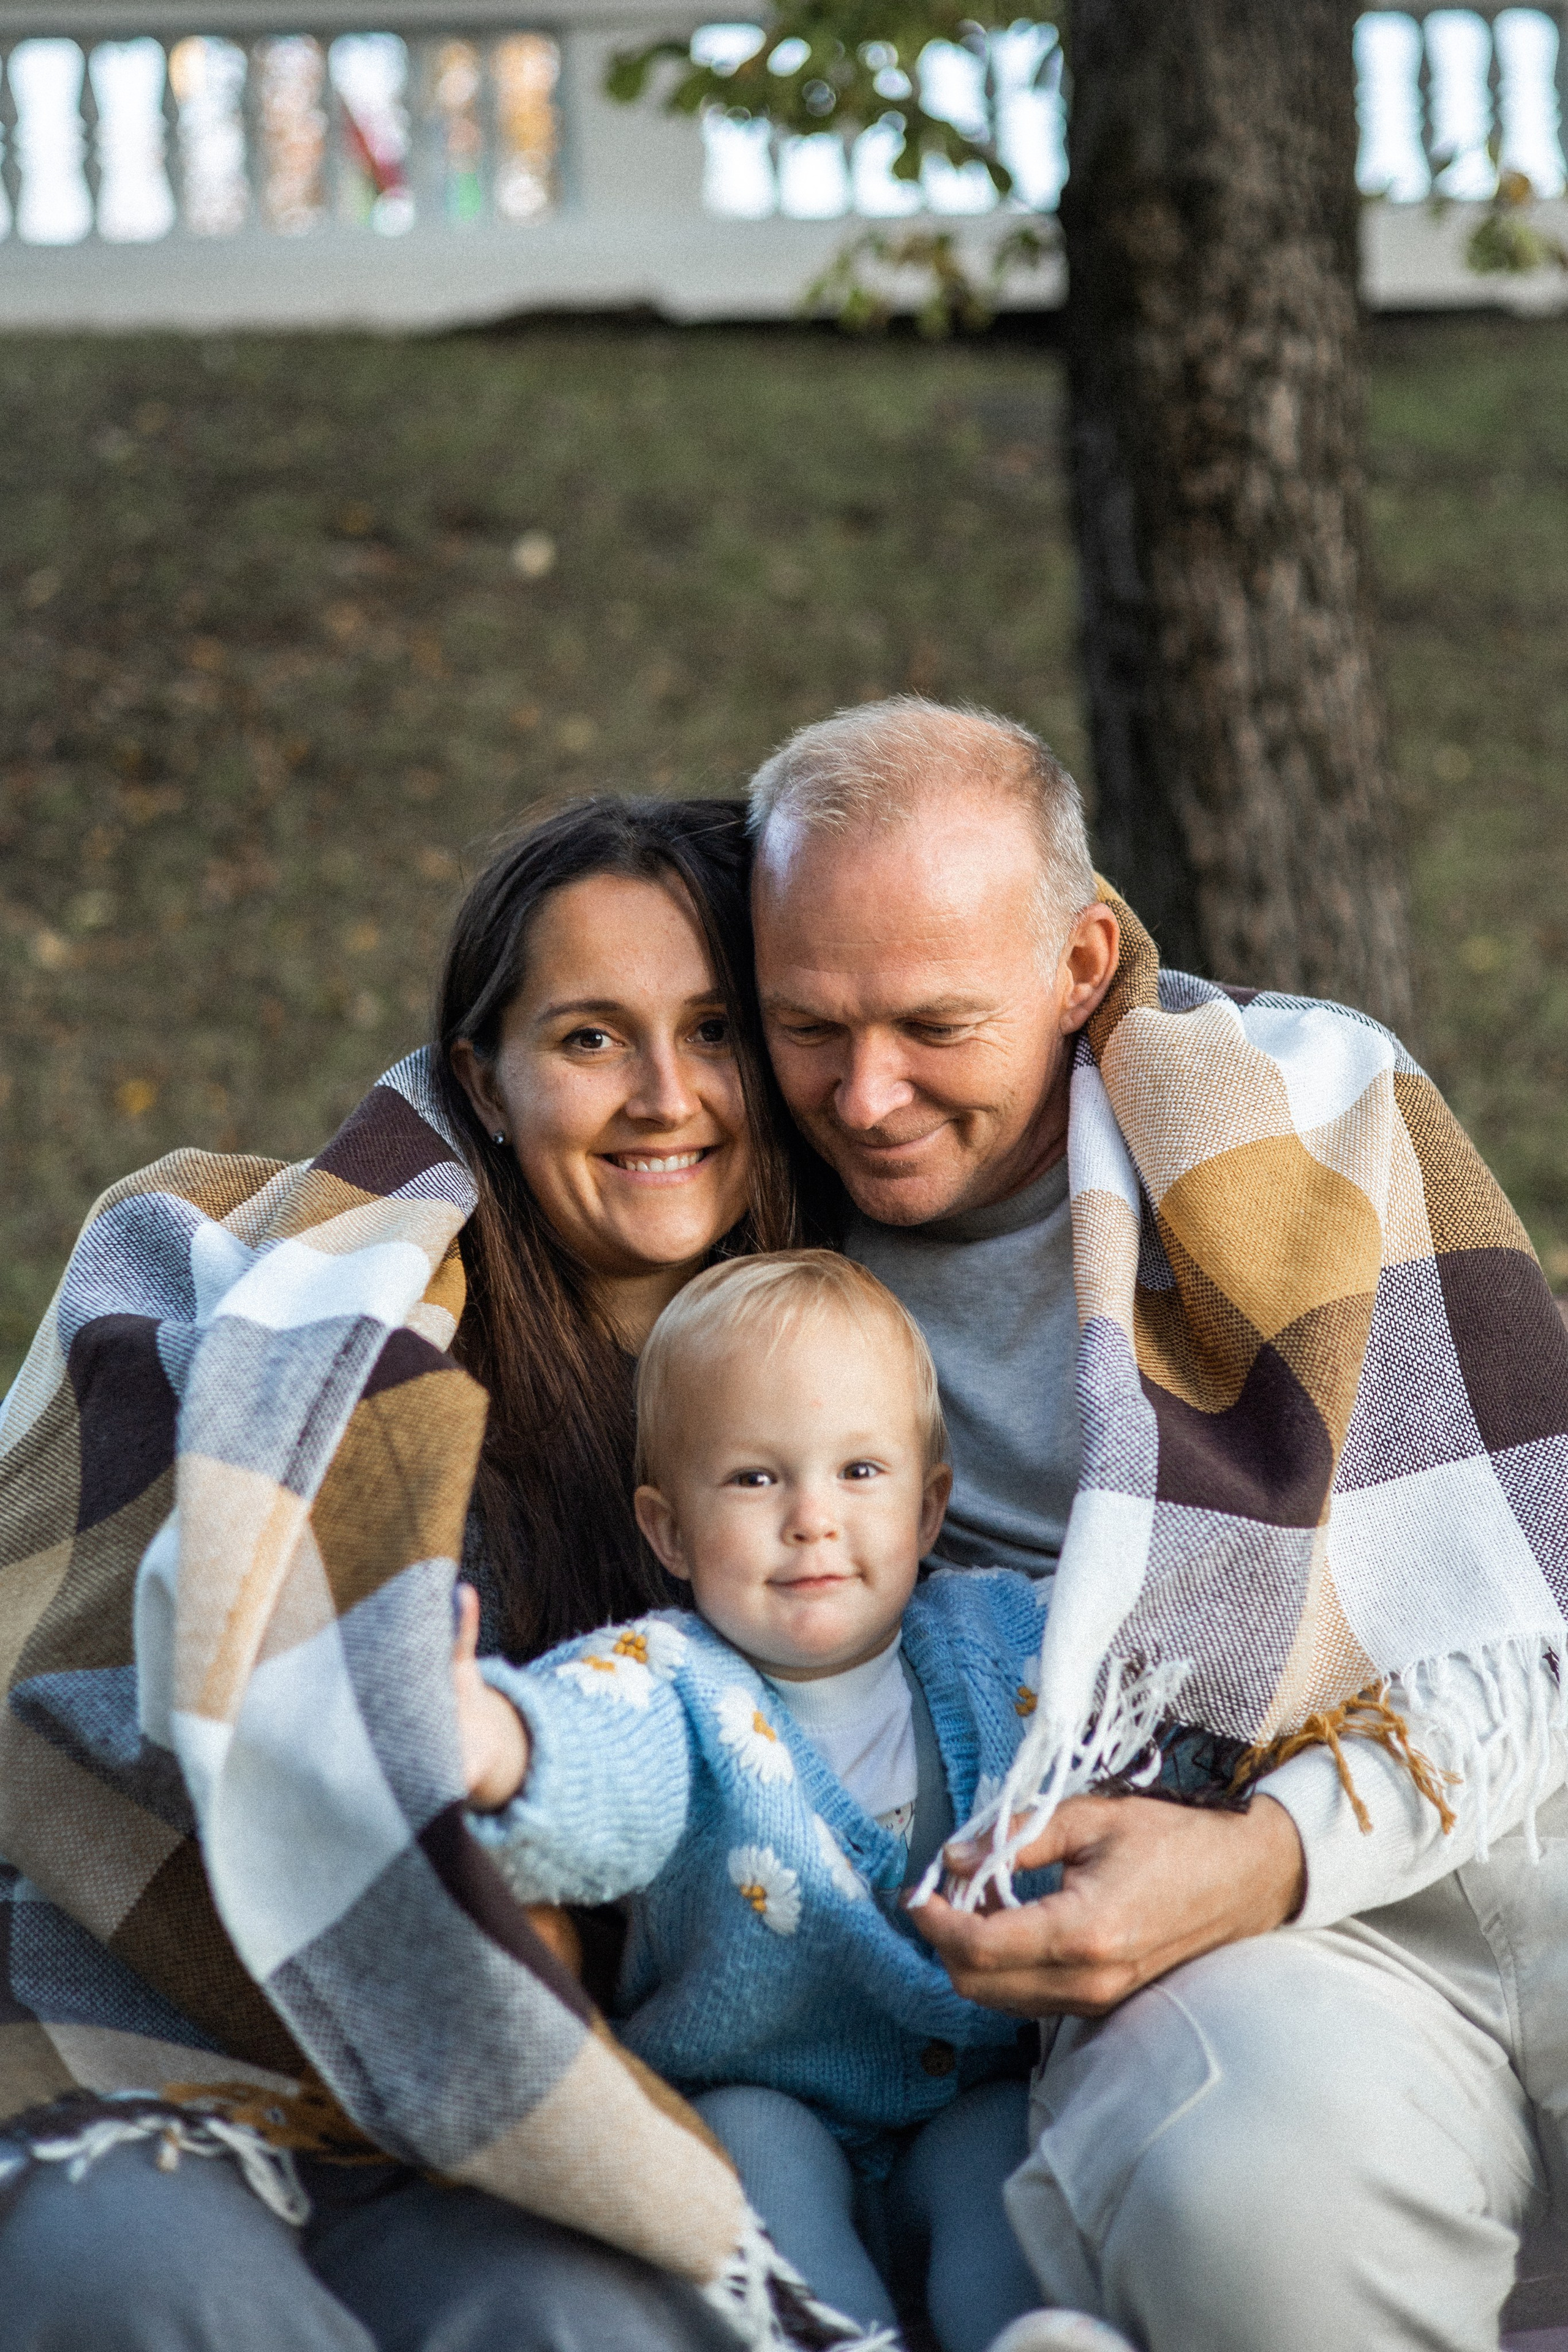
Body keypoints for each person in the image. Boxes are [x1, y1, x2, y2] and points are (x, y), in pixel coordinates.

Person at [744, 695, 1568, 2352]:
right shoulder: (734, 1228)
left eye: (935, 1025)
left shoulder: (1306, 1117)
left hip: (1492, 1796)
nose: (868, 1093)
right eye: (807, 1025)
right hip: (1225, 1935)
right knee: (1237, 2191)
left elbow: (1530, 1602)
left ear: (1077, 961)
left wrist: (1270, 1855)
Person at [0, 797, 821, 2352]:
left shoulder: (847, 1373)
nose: (665, 1098)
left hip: (508, 2070)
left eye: (712, 1029)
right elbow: (85, 1661)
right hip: (150, 2015)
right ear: (480, 1085)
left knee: (586, 2319)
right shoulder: (315, 1331)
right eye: (590, 1038)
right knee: (160, 2291)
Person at [450, 1249, 1053, 2352]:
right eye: (755, 1479)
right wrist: (495, 1739)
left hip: (969, 2083)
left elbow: (1137, 1709)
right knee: (754, 2186)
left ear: (931, 1508)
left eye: (860, 1472)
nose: (812, 1519)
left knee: (1008, 2179)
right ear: (669, 1529)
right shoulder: (671, 1679)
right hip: (756, 2085)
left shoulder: (1000, 1642)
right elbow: (594, 1756)